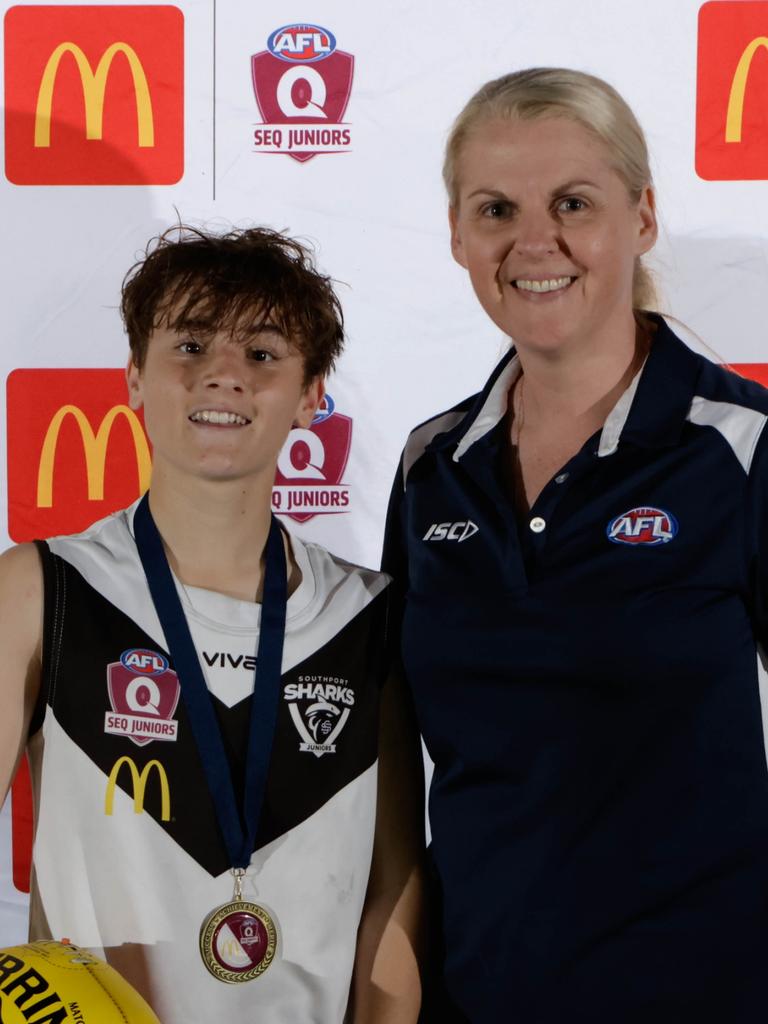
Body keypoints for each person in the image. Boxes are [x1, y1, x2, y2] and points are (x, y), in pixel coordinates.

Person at [383, 68, 768, 1023]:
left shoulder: (743, 447)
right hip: (474, 998)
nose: (533, 242)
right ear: (458, 233)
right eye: (496, 209)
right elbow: (393, 777)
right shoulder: (430, 464)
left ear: (641, 217)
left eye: (572, 204)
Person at [0, 225, 423, 1023]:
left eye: (262, 353)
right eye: (190, 345)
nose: (223, 375)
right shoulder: (42, 588)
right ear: (134, 377)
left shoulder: (367, 615)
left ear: (310, 396)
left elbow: (392, 889)